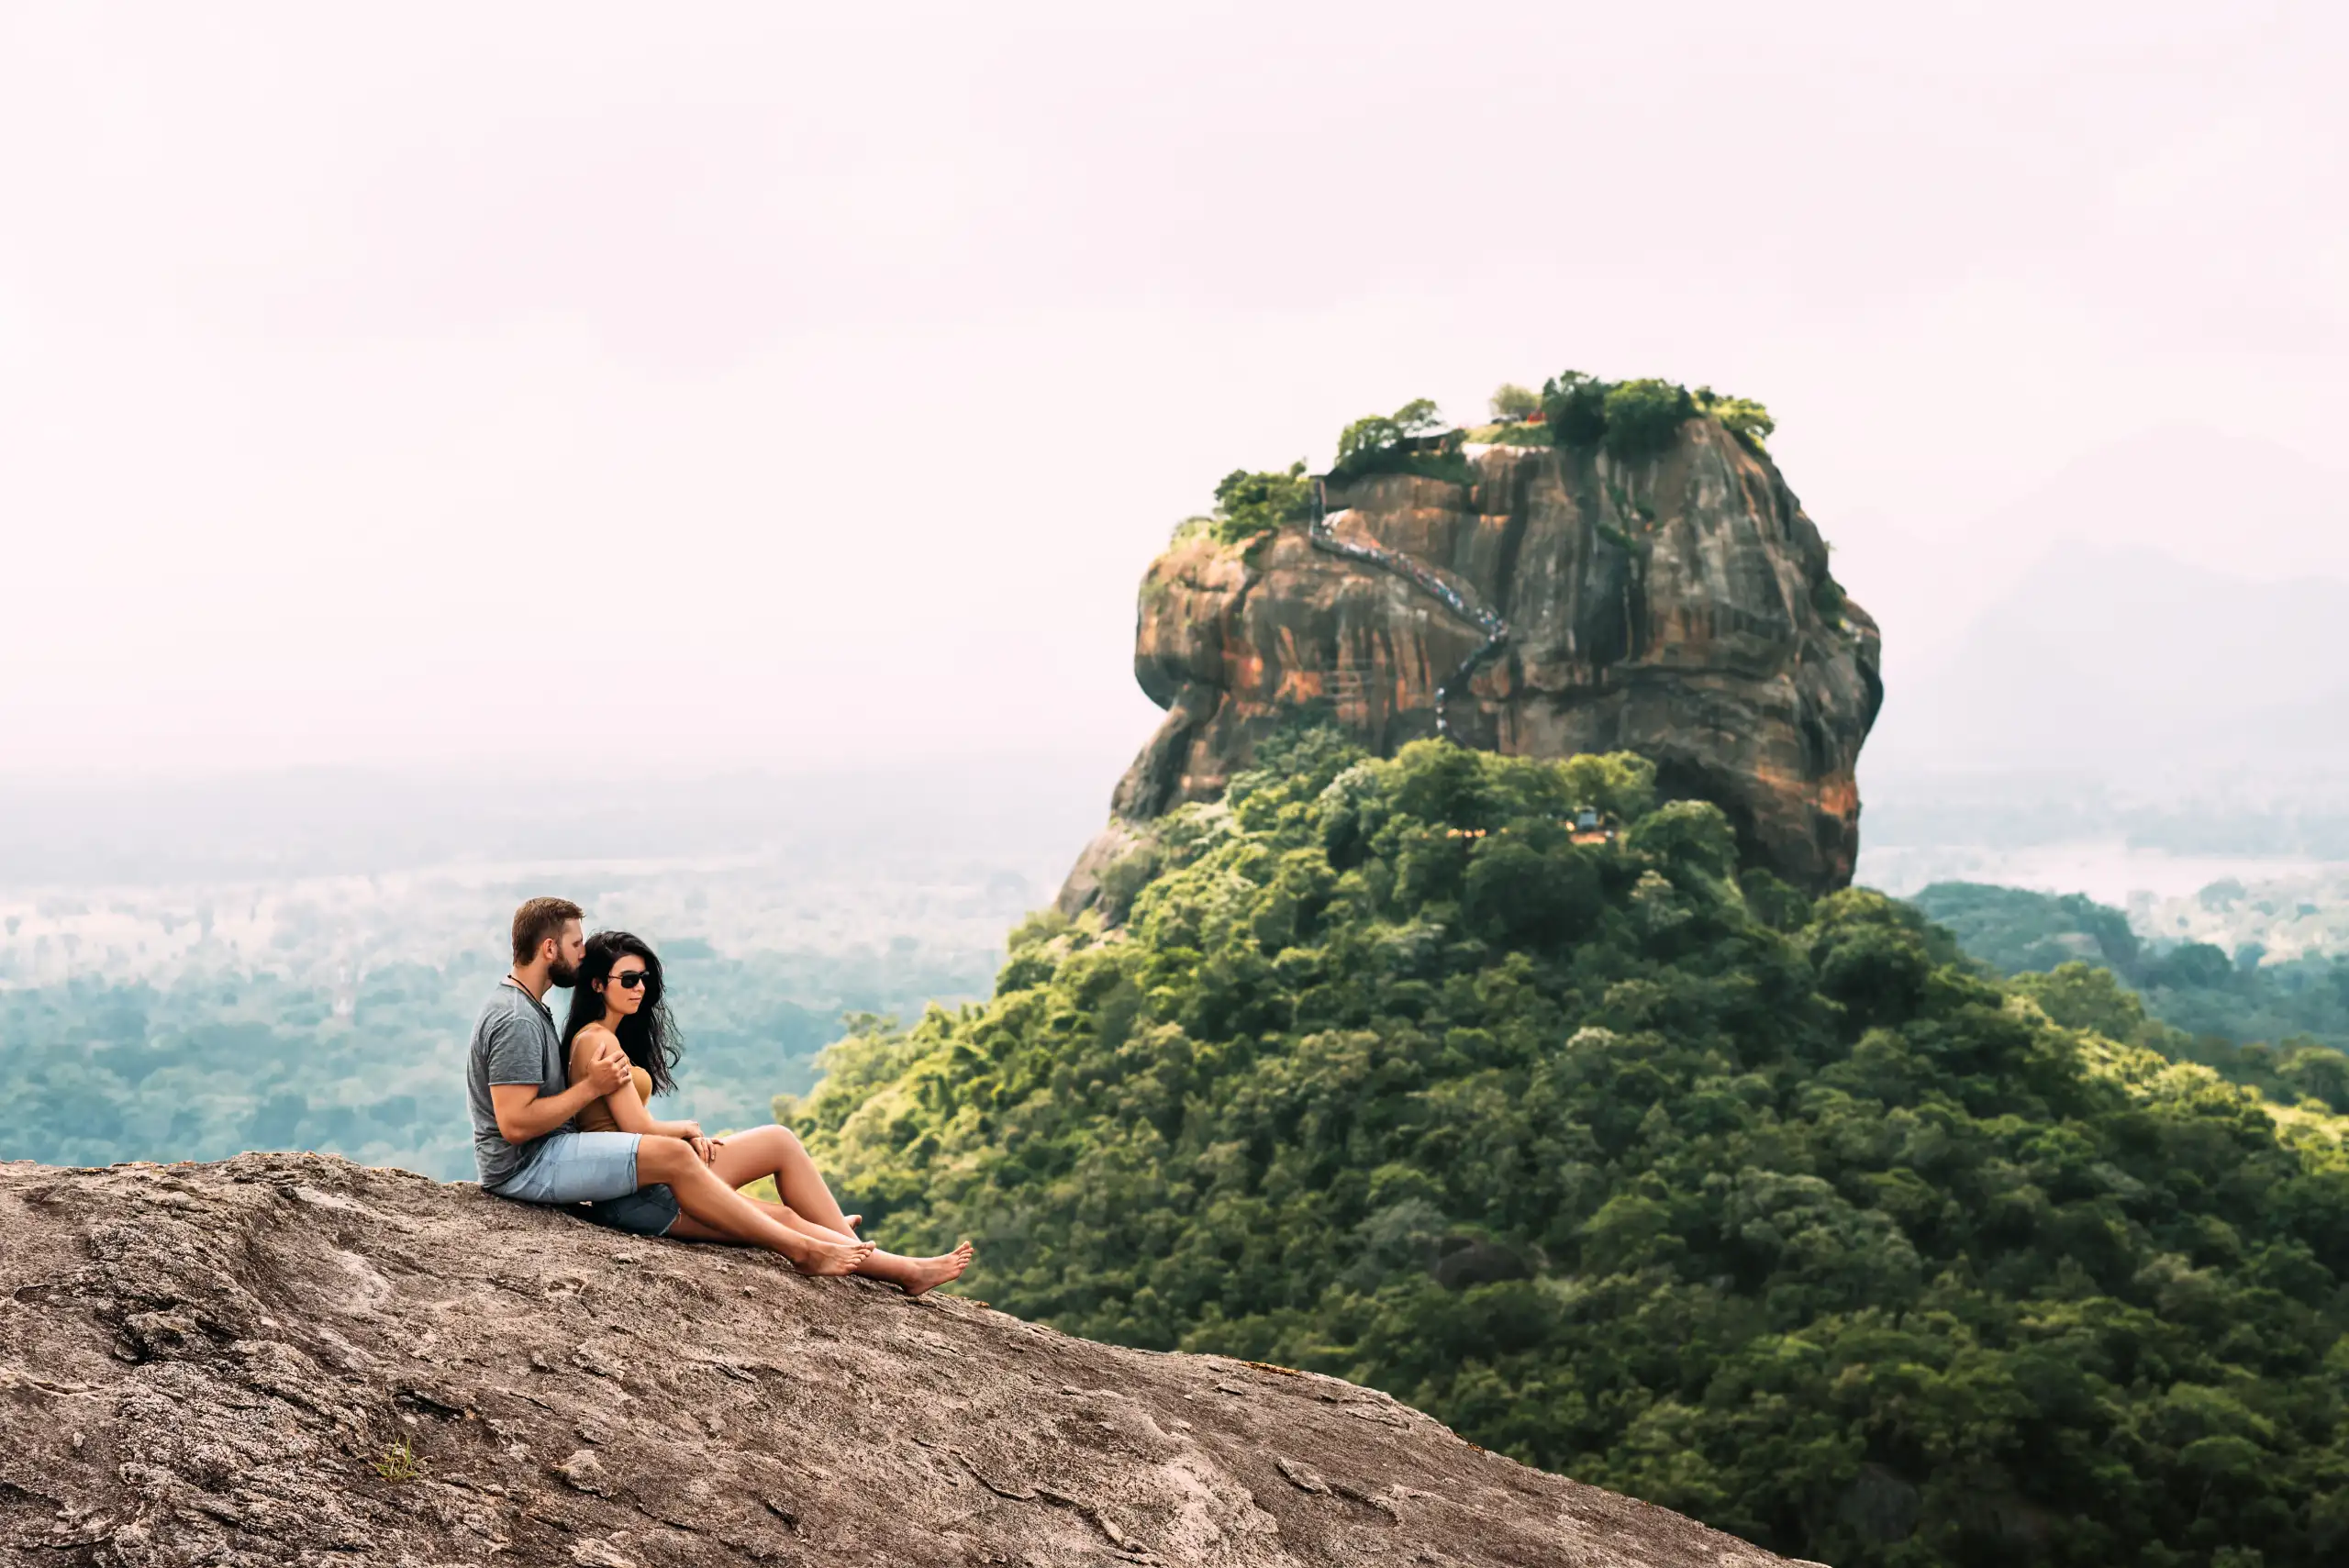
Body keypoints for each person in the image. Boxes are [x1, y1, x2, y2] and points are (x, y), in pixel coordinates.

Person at [465, 896, 873, 1276]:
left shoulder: (531, 1010)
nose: (582, 954)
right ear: (550, 949)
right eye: (576, 945)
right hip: (524, 1167)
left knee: (771, 1144)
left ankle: (838, 1238)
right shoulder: (518, 1019)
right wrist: (593, 1087)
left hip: (549, 1154)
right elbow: (515, 1125)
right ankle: (805, 1247)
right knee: (685, 1160)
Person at [562, 928, 974, 1296]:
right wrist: (685, 1129)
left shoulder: (603, 1037)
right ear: (597, 984)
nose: (639, 989)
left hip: (657, 1174)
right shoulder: (600, 1043)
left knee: (778, 1141)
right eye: (629, 980)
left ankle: (834, 1232)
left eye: (644, 979)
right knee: (785, 1219)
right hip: (635, 1197)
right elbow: (636, 1128)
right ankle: (906, 1270)